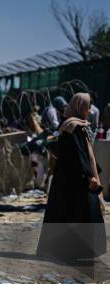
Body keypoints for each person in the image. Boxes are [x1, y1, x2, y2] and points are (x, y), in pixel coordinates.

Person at [37, 93, 106, 262]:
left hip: (69, 177)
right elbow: (78, 153)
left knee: (67, 213)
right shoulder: (72, 126)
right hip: (75, 178)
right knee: (83, 211)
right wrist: (90, 175)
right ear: (79, 107)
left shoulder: (72, 124)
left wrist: (93, 169)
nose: (89, 110)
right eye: (87, 106)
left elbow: (82, 151)